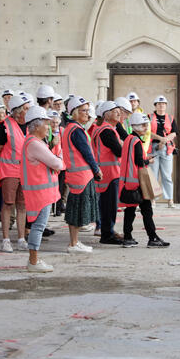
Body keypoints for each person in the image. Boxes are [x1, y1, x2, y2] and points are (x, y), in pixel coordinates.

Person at [21, 106, 65, 272]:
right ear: (37, 126)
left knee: (38, 226)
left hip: (42, 192)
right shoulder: (34, 144)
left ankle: (34, 260)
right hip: (39, 193)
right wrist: (59, 157)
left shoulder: (36, 142)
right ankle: (33, 261)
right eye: (46, 123)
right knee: (38, 227)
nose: (49, 127)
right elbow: (57, 164)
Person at [120, 113, 170, 248]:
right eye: (144, 125)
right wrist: (149, 159)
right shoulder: (136, 141)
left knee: (130, 210)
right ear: (136, 126)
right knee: (147, 210)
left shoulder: (129, 139)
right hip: (138, 181)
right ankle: (152, 237)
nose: (146, 128)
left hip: (129, 182)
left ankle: (128, 237)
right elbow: (139, 161)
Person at [62, 96, 102, 253]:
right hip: (82, 176)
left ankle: (75, 242)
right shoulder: (76, 130)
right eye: (83, 111)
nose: (87, 114)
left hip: (76, 175)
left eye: (87, 110)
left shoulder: (71, 129)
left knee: (75, 210)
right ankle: (73, 243)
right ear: (74, 113)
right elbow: (87, 153)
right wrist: (96, 169)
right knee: (78, 211)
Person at [0, 94, 30, 252]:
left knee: (22, 206)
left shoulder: (31, 124)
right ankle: (6, 239)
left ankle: (21, 238)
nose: (29, 111)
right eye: (27, 109)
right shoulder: (5, 125)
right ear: (19, 111)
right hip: (9, 170)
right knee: (8, 204)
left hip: (26, 171)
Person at [92, 101, 124, 245]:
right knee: (109, 206)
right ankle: (107, 234)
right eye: (114, 110)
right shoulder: (106, 130)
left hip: (107, 173)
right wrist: (124, 145)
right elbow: (119, 151)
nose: (118, 113)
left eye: (119, 110)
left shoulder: (107, 129)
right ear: (106, 114)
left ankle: (108, 231)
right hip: (109, 173)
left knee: (108, 205)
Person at [149, 95, 178, 207]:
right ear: (155, 106)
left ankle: (170, 200)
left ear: (166, 106)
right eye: (159, 104)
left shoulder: (170, 118)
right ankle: (153, 200)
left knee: (167, 175)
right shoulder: (149, 117)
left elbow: (174, 133)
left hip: (167, 149)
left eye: (163, 104)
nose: (161, 106)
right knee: (153, 175)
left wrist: (164, 140)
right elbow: (147, 132)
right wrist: (160, 139)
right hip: (153, 148)